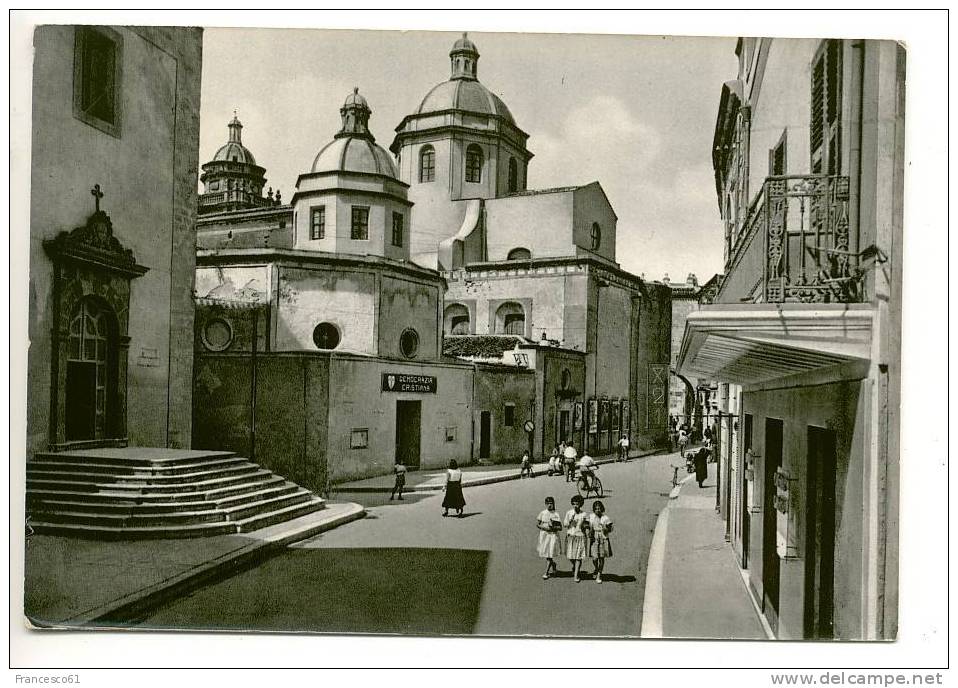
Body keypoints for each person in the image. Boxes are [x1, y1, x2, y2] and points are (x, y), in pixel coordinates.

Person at [563, 495, 589, 582]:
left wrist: (585, 526)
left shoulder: (584, 514)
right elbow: (565, 524)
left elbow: (587, 525)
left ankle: (576, 575)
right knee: (570, 556)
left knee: (578, 557)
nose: (575, 506)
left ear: (581, 504)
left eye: (577, 504)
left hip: (580, 536)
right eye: (573, 504)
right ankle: (574, 566)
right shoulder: (569, 513)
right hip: (570, 536)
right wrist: (570, 521)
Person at [536, 496, 563, 579]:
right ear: (545, 504)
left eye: (551, 503)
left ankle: (546, 572)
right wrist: (544, 528)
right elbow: (538, 524)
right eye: (548, 504)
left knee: (549, 554)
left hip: (553, 536)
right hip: (545, 536)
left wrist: (553, 527)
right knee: (546, 553)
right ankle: (553, 565)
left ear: (553, 504)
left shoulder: (556, 514)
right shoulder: (542, 513)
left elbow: (560, 527)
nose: (549, 505)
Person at [588, 500, 613, 583]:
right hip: (594, 538)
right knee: (594, 558)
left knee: (601, 558)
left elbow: (610, 529)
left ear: (602, 509)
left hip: (603, 538)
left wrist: (606, 528)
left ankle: (599, 574)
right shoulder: (591, 516)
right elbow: (588, 525)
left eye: (599, 508)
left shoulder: (605, 518)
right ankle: (596, 568)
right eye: (595, 509)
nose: (597, 510)